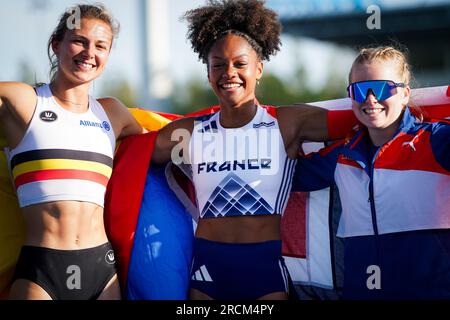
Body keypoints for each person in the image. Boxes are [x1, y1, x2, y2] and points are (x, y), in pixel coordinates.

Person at [152, 0, 333, 300]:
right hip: (207, 268)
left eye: (240, 63)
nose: (229, 73)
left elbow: (365, 118)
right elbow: (132, 155)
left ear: (259, 68)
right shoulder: (187, 132)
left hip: (263, 269)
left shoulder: (288, 123)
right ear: (208, 73)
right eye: (218, 65)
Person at [0, 4, 145, 300]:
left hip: (102, 271)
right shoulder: (22, 102)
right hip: (41, 269)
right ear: (57, 45)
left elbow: (151, 148)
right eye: (79, 40)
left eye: (100, 46)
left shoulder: (113, 113)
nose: (89, 52)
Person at [293, 45, 450, 299]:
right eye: (359, 90)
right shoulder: (341, 155)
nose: (370, 99)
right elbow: (280, 178)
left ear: (405, 94)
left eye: (381, 88)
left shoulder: (437, 141)